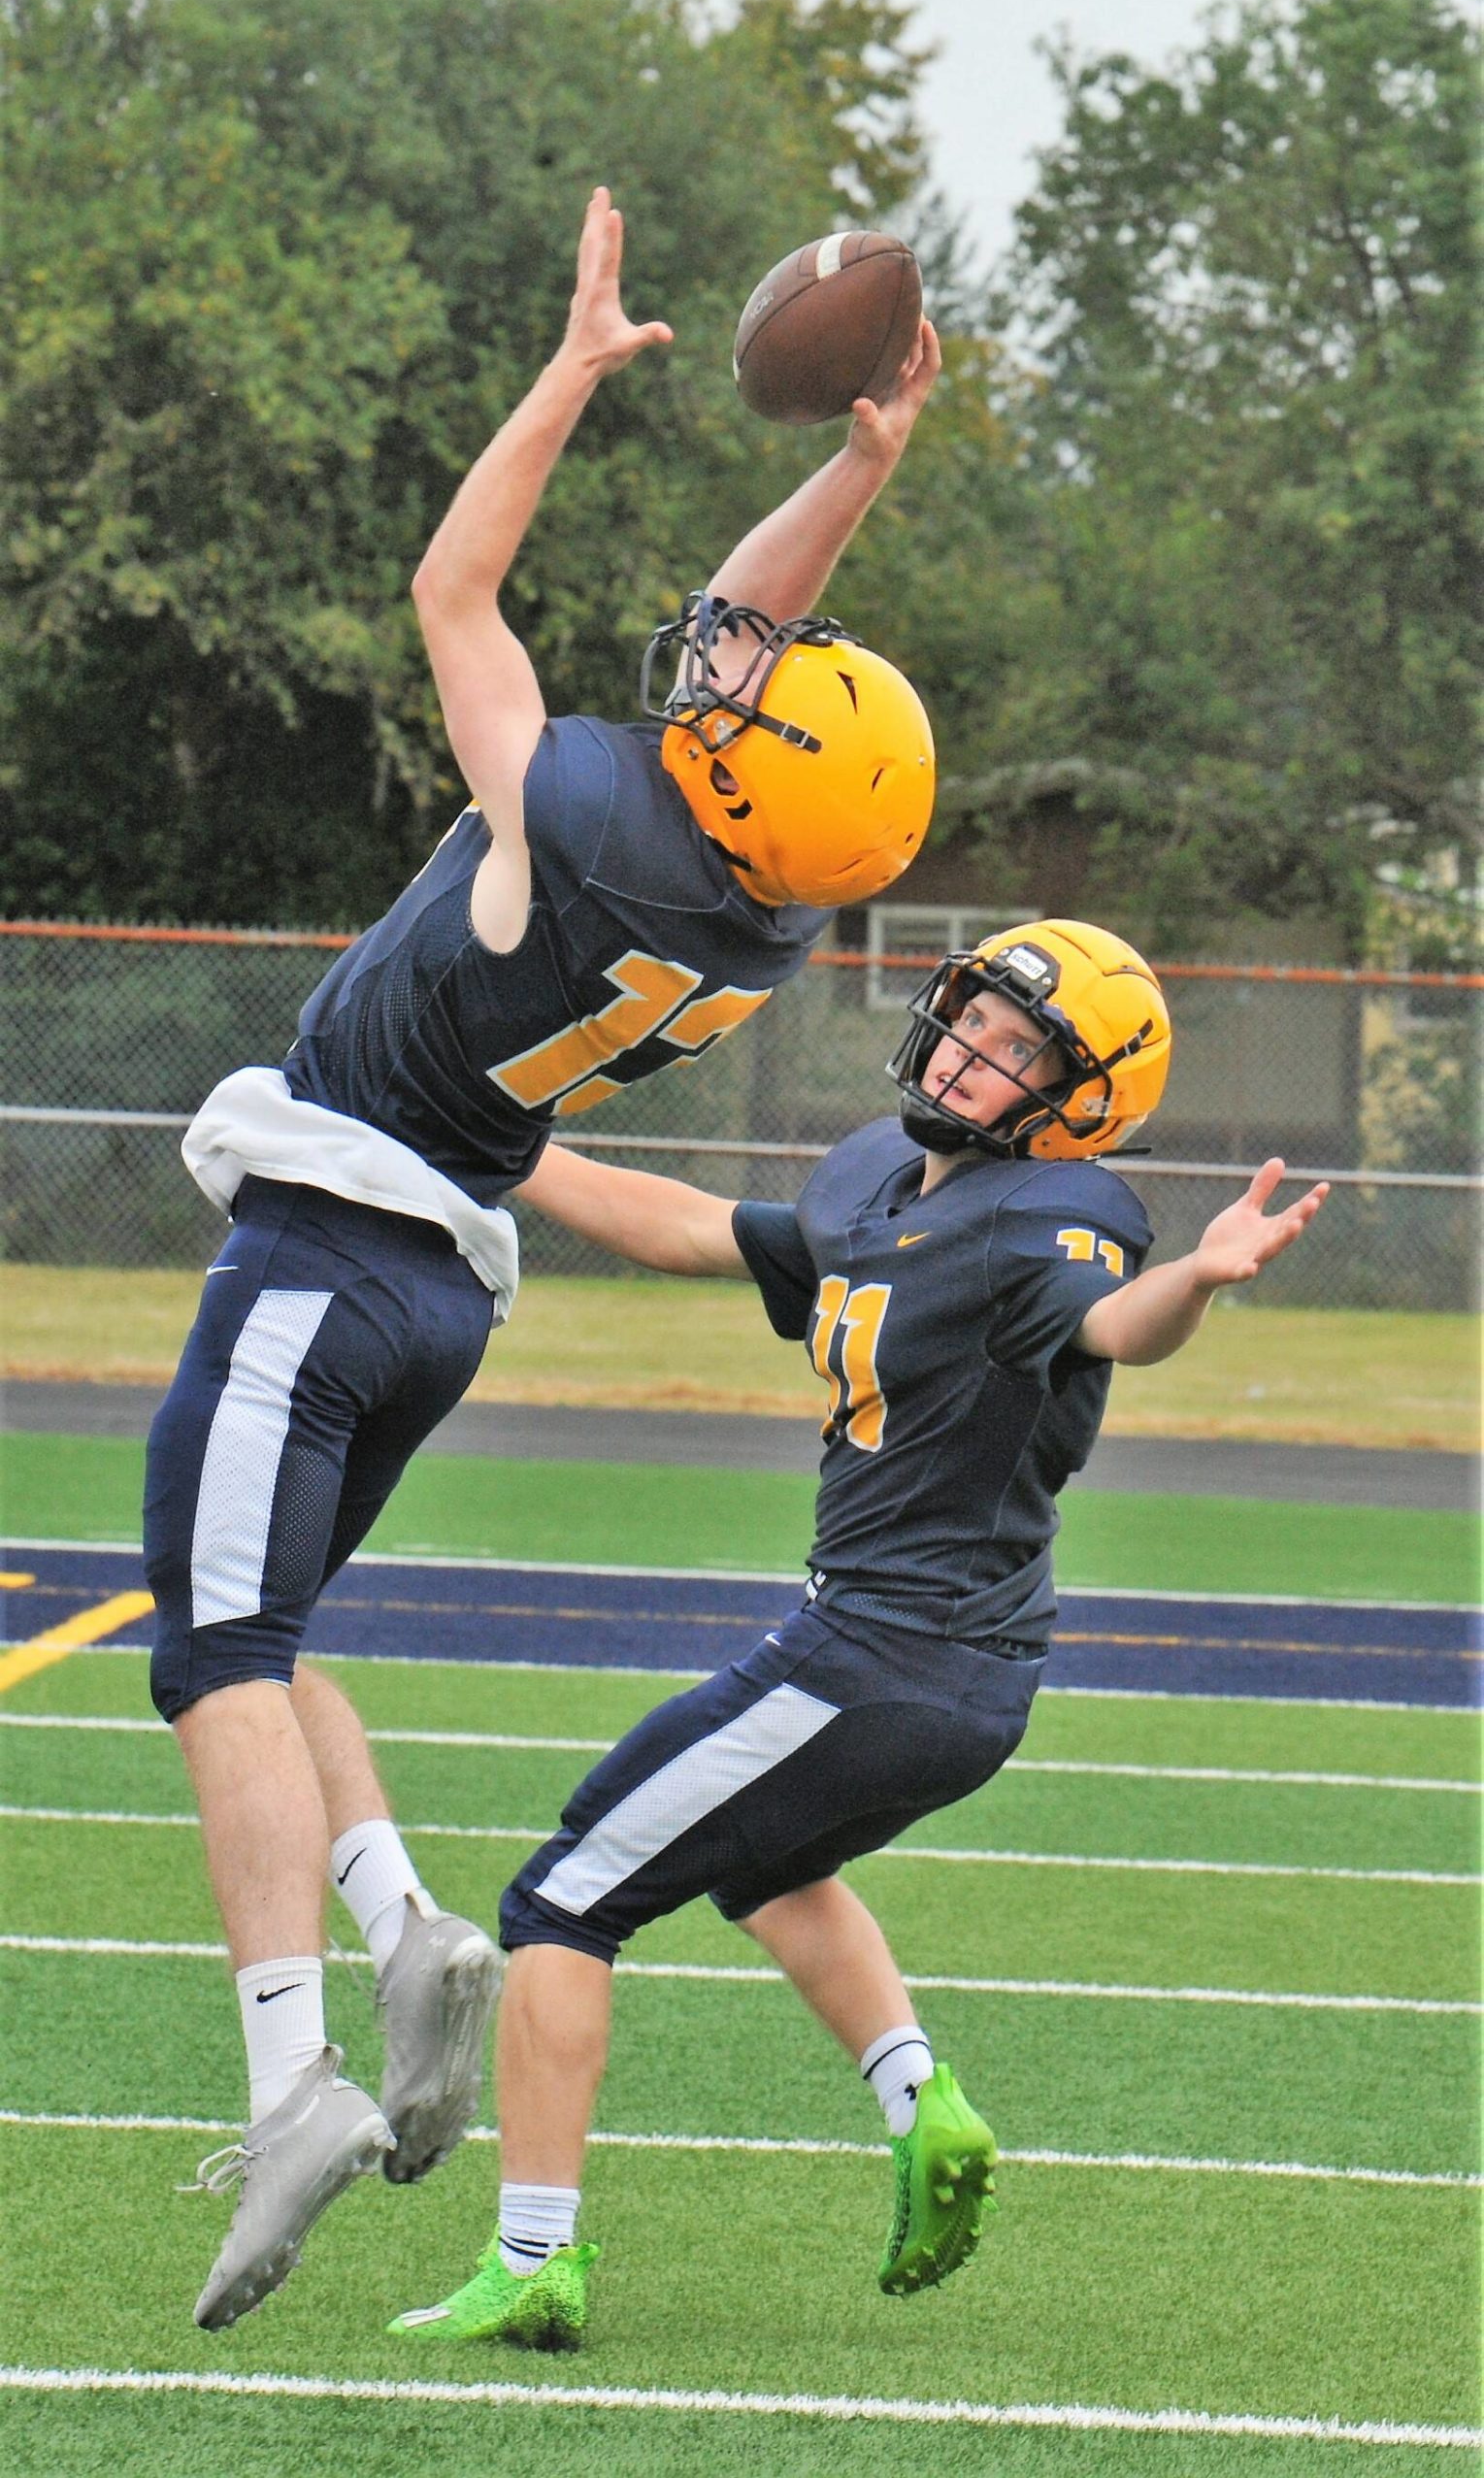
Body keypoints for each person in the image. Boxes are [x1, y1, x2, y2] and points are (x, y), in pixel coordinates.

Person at [145, 184, 940, 2331]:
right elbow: (735, 655)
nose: (747, 674)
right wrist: (857, 464)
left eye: (773, 699)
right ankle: (406, 1922)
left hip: (333, 1239)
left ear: (737, 774)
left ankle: (292, 2066)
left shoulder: (577, 823)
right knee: (279, 1620)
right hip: (439, 1284)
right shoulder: (754, 909)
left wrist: (573, 373)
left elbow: (451, 583)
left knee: (212, 1648)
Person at [386, 919, 1329, 2350]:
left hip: (884, 1655)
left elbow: (1111, 1323)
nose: (971, 1052)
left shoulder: (1051, 1217)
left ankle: (533, 2259)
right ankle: (920, 2102)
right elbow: (696, 1230)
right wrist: (485, 1137)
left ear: (1079, 1102)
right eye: (972, 1019)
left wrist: (1196, 1281)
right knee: (769, 1870)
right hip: (948, 1668)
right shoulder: (879, 1178)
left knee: (561, 1904)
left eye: (1023, 1050)